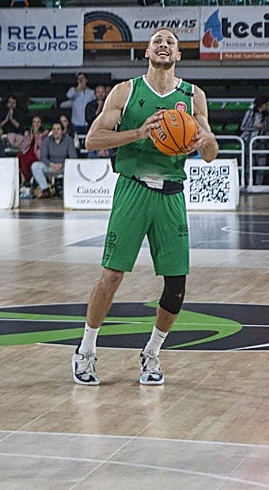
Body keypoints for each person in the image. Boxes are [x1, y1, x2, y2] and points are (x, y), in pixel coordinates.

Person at [72, 29, 218, 387]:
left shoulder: (193, 95)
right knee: (113, 275)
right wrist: (138, 133)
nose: (164, 44)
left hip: (171, 194)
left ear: (178, 55)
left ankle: (152, 351)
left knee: (176, 284)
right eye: (158, 41)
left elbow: (211, 154)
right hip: (133, 188)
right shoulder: (127, 91)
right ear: (147, 52)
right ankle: (86, 351)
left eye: (170, 42)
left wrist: (204, 140)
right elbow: (92, 140)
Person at [32, 121, 76, 198]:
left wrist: (62, 165)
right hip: (51, 166)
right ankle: (45, 189)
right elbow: (43, 157)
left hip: (64, 167)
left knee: (73, 166)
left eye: (58, 129)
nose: (56, 131)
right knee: (35, 166)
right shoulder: (47, 140)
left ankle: (71, 190)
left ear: (62, 131)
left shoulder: (68, 140)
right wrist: (51, 164)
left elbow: (73, 157)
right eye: (54, 129)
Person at [66, 72, 92, 138]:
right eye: (79, 79)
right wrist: (78, 88)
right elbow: (69, 95)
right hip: (76, 122)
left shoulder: (91, 92)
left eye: (82, 78)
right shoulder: (73, 90)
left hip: (87, 123)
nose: (81, 80)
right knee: (76, 142)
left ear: (86, 80)